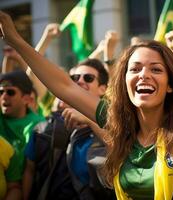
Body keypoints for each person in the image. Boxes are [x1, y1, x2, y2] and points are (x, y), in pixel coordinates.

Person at [0, 1, 173, 199]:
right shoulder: (117, 122)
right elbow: (64, 85)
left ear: (171, 86)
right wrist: (15, 39)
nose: (143, 75)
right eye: (135, 69)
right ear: (124, 81)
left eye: (156, 69)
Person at [23, 58, 114, 200]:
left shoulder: (114, 124)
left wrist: (91, 121)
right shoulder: (45, 128)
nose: (80, 81)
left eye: (88, 78)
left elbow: (123, 151)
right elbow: (29, 170)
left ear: (103, 89)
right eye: (75, 78)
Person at [0, 70, 45, 199]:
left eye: (10, 92)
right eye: (1, 92)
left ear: (27, 99)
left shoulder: (40, 126)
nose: (4, 96)